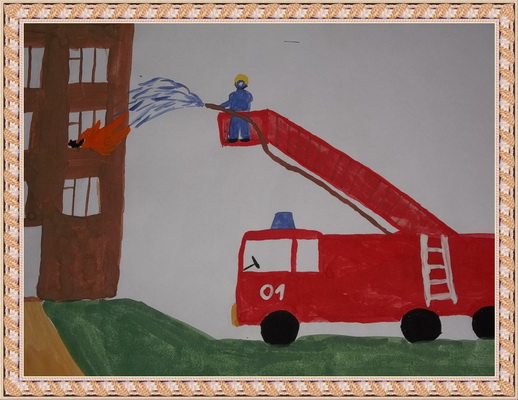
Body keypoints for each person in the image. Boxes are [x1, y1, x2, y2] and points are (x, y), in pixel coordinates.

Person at [221, 74, 253, 142]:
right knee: (234, 125)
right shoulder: (233, 95)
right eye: (239, 82)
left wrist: (221, 106)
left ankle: (244, 137)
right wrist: (221, 106)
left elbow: (230, 102)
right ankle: (234, 137)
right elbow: (229, 102)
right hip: (235, 114)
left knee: (243, 125)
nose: (240, 84)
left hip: (242, 114)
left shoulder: (247, 95)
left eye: (242, 82)